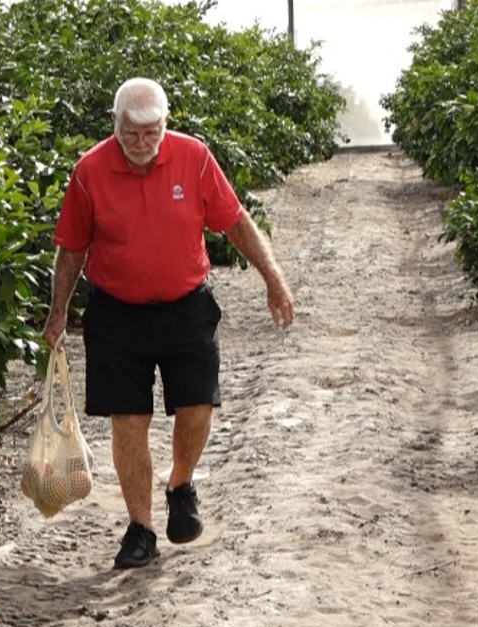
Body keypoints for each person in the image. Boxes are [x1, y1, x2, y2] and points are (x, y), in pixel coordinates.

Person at [41, 77, 295, 569]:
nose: (141, 143)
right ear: (114, 125)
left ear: (166, 123)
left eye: (151, 132)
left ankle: (181, 484)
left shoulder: (194, 157)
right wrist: (57, 317)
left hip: (186, 306)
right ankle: (141, 528)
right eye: (130, 133)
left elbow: (236, 220)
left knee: (198, 406)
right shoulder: (89, 171)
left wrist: (274, 278)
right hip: (117, 312)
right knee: (129, 422)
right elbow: (71, 248)